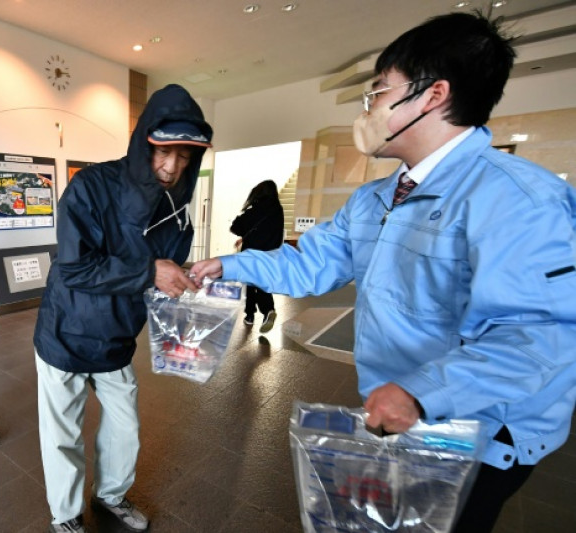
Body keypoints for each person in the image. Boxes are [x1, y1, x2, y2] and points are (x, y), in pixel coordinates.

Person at [190, 12, 576, 533]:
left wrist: (423, 393)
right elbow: (310, 264)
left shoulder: (519, 200)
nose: (367, 108)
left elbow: (540, 336)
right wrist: (229, 264)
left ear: (433, 95)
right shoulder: (373, 199)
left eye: (377, 91)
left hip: (476, 431)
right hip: (397, 406)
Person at [34, 84, 213, 533]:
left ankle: (111, 495)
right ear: (143, 144)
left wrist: (186, 287)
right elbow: (75, 268)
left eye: (185, 157)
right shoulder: (91, 186)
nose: (172, 167)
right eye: (163, 152)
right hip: (66, 331)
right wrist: (151, 272)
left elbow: (160, 278)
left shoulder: (177, 211)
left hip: (116, 337)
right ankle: (65, 515)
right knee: (62, 433)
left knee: (125, 427)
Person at [229, 179, 283, 332]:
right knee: (261, 281)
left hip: (252, 253)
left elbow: (235, 227)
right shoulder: (278, 210)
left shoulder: (256, 209)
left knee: (251, 283)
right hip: (271, 254)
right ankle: (263, 311)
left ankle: (253, 314)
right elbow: (267, 232)